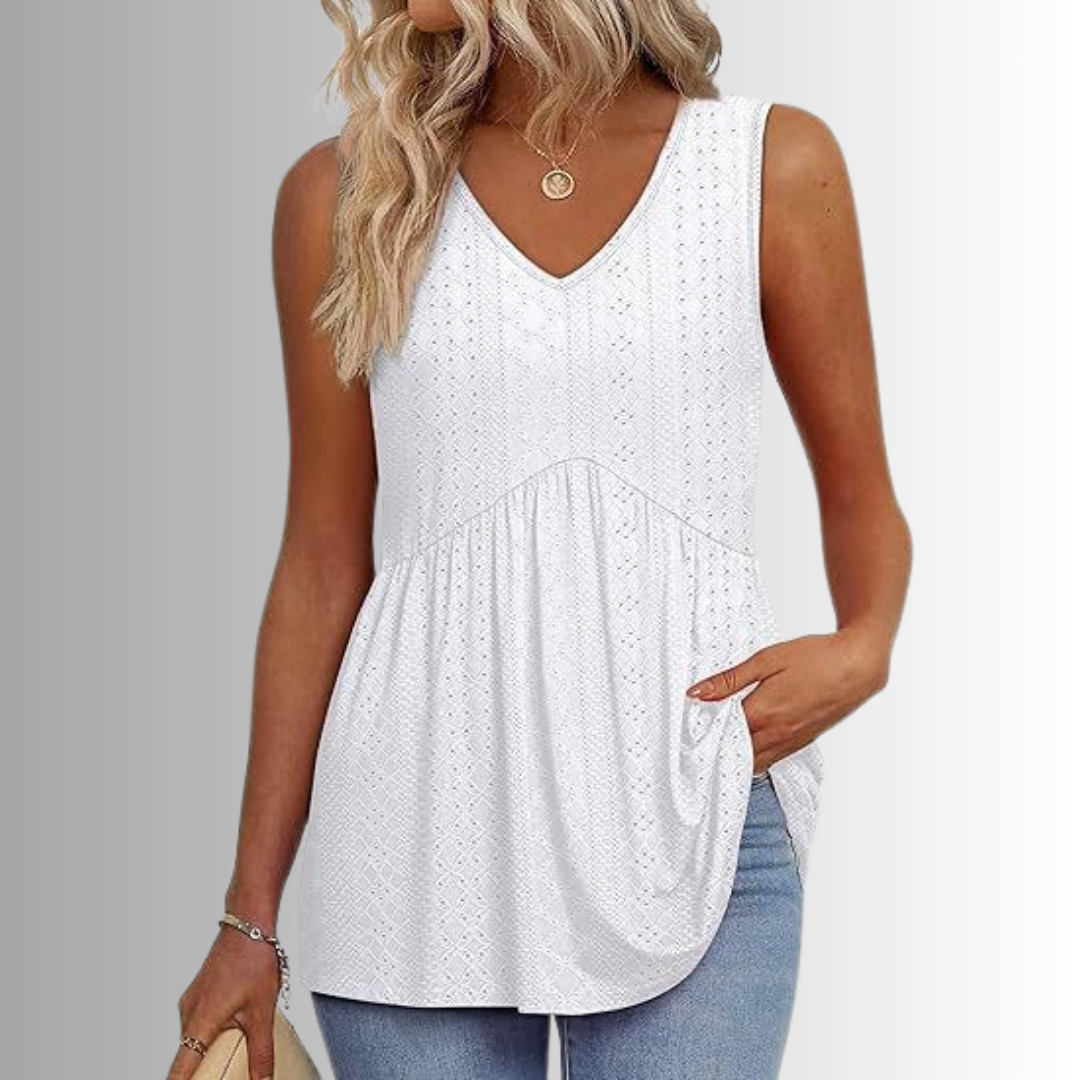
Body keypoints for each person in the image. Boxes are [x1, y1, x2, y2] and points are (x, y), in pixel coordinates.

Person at [169, 1, 911, 1077]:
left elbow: (861, 495)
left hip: (691, 815)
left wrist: (865, 645)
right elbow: (322, 563)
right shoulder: (348, 193)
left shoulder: (766, 167)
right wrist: (250, 915)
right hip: (409, 841)